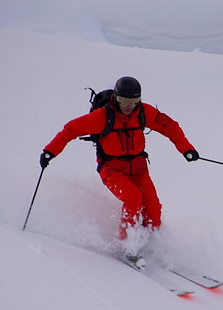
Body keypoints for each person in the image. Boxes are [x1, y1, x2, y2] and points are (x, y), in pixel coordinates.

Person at [40, 76, 199, 266]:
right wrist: (50, 151)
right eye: (125, 102)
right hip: (111, 168)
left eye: (134, 102)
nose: (129, 106)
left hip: (138, 167)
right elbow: (71, 130)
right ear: (116, 98)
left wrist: (186, 149)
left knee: (153, 207)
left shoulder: (144, 112)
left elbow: (170, 127)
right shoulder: (102, 117)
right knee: (133, 198)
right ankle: (127, 245)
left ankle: (150, 244)